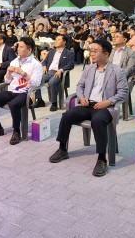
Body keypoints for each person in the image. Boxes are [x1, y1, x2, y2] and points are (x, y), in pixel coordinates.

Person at [49, 39, 128, 177]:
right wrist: (81, 97)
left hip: (104, 107)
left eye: (95, 51)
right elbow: (80, 86)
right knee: (67, 116)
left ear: (106, 54)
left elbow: (123, 92)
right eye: (91, 51)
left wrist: (108, 101)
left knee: (98, 121)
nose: (91, 53)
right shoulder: (89, 68)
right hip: (87, 104)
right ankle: (62, 149)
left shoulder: (117, 71)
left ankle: (102, 158)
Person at [0, 37, 42, 144]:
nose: (18, 49)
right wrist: (9, 73)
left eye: (21, 47)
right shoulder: (15, 61)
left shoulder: (36, 64)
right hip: (12, 91)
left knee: (13, 104)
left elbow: (36, 83)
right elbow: (7, 80)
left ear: (29, 50)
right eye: (18, 46)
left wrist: (23, 73)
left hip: (27, 93)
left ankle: (16, 131)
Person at [34, 34, 75, 111]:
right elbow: (45, 61)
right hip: (48, 73)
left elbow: (71, 65)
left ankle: (54, 103)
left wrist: (61, 70)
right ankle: (39, 100)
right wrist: (44, 66)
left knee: (52, 82)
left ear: (64, 42)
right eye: (56, 40)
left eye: (59, 40)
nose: (56, 41)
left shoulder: (68, 53)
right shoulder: (51, 51)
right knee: (36, 79)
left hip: (59, 74)